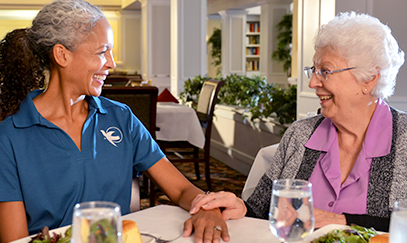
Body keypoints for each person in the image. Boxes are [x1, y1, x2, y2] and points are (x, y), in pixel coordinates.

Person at [0, 1, 245, 242]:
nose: (112, 63)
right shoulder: (10, 135)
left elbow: (181, 189)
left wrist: (207, 207)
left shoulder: (121, 118)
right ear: (62, 55)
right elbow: (16, 239)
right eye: (101, 52)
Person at [190, 11, 406, 232]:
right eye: (313, 70)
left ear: (369, 78)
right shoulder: (300, 134)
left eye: (325, 71)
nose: (312, 82)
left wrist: (341, 221)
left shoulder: (404, 140)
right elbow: (263, 210)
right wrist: (241, 208)